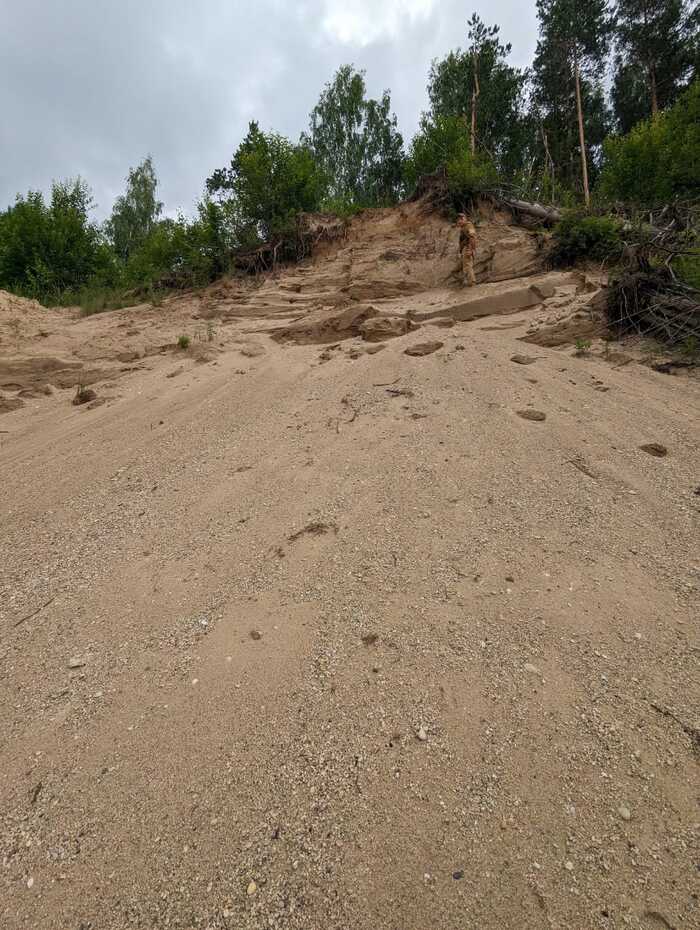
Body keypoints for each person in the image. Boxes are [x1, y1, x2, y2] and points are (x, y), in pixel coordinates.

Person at [457, 213, 477, 287]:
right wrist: (460, 251)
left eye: (461, 219)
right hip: (465, 248)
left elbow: (472, 237)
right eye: (458, 220)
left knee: (468, 265)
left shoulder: (468, 226)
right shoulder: (463, 228)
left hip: (468, 247)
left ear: (464, 219)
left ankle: (472, 282)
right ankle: (468, 282)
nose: (459, 221)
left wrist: (470, 249)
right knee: (466, 265)